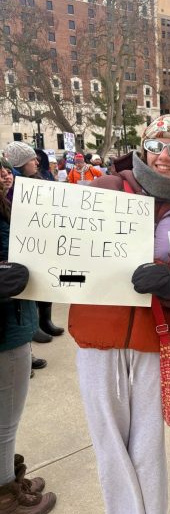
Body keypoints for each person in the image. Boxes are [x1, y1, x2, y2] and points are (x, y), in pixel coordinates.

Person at [68, 114, 170, 514]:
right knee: (109, 445)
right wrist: (23, 275)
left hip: (153, 339)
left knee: (148, 450)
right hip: (96, 336)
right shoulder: (104, 189)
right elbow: (59, 251)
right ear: (144, 146)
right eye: (158, 145)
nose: (165, 157)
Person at [0, 179, 56, 514]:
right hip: (4, 333)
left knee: (7, 421)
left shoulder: (7, 206)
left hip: (15, 325)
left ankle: (7, 482)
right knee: (5, 422)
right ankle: (5, 499)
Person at [4, 142, 64, 359]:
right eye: (31, 159)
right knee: (25, 291)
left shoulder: (38, 180)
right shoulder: (12, 188)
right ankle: (29, 336)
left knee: (44, 283)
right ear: (20, 163)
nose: (36, 161)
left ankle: (42, 321)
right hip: (22, 247)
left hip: (41, 242)